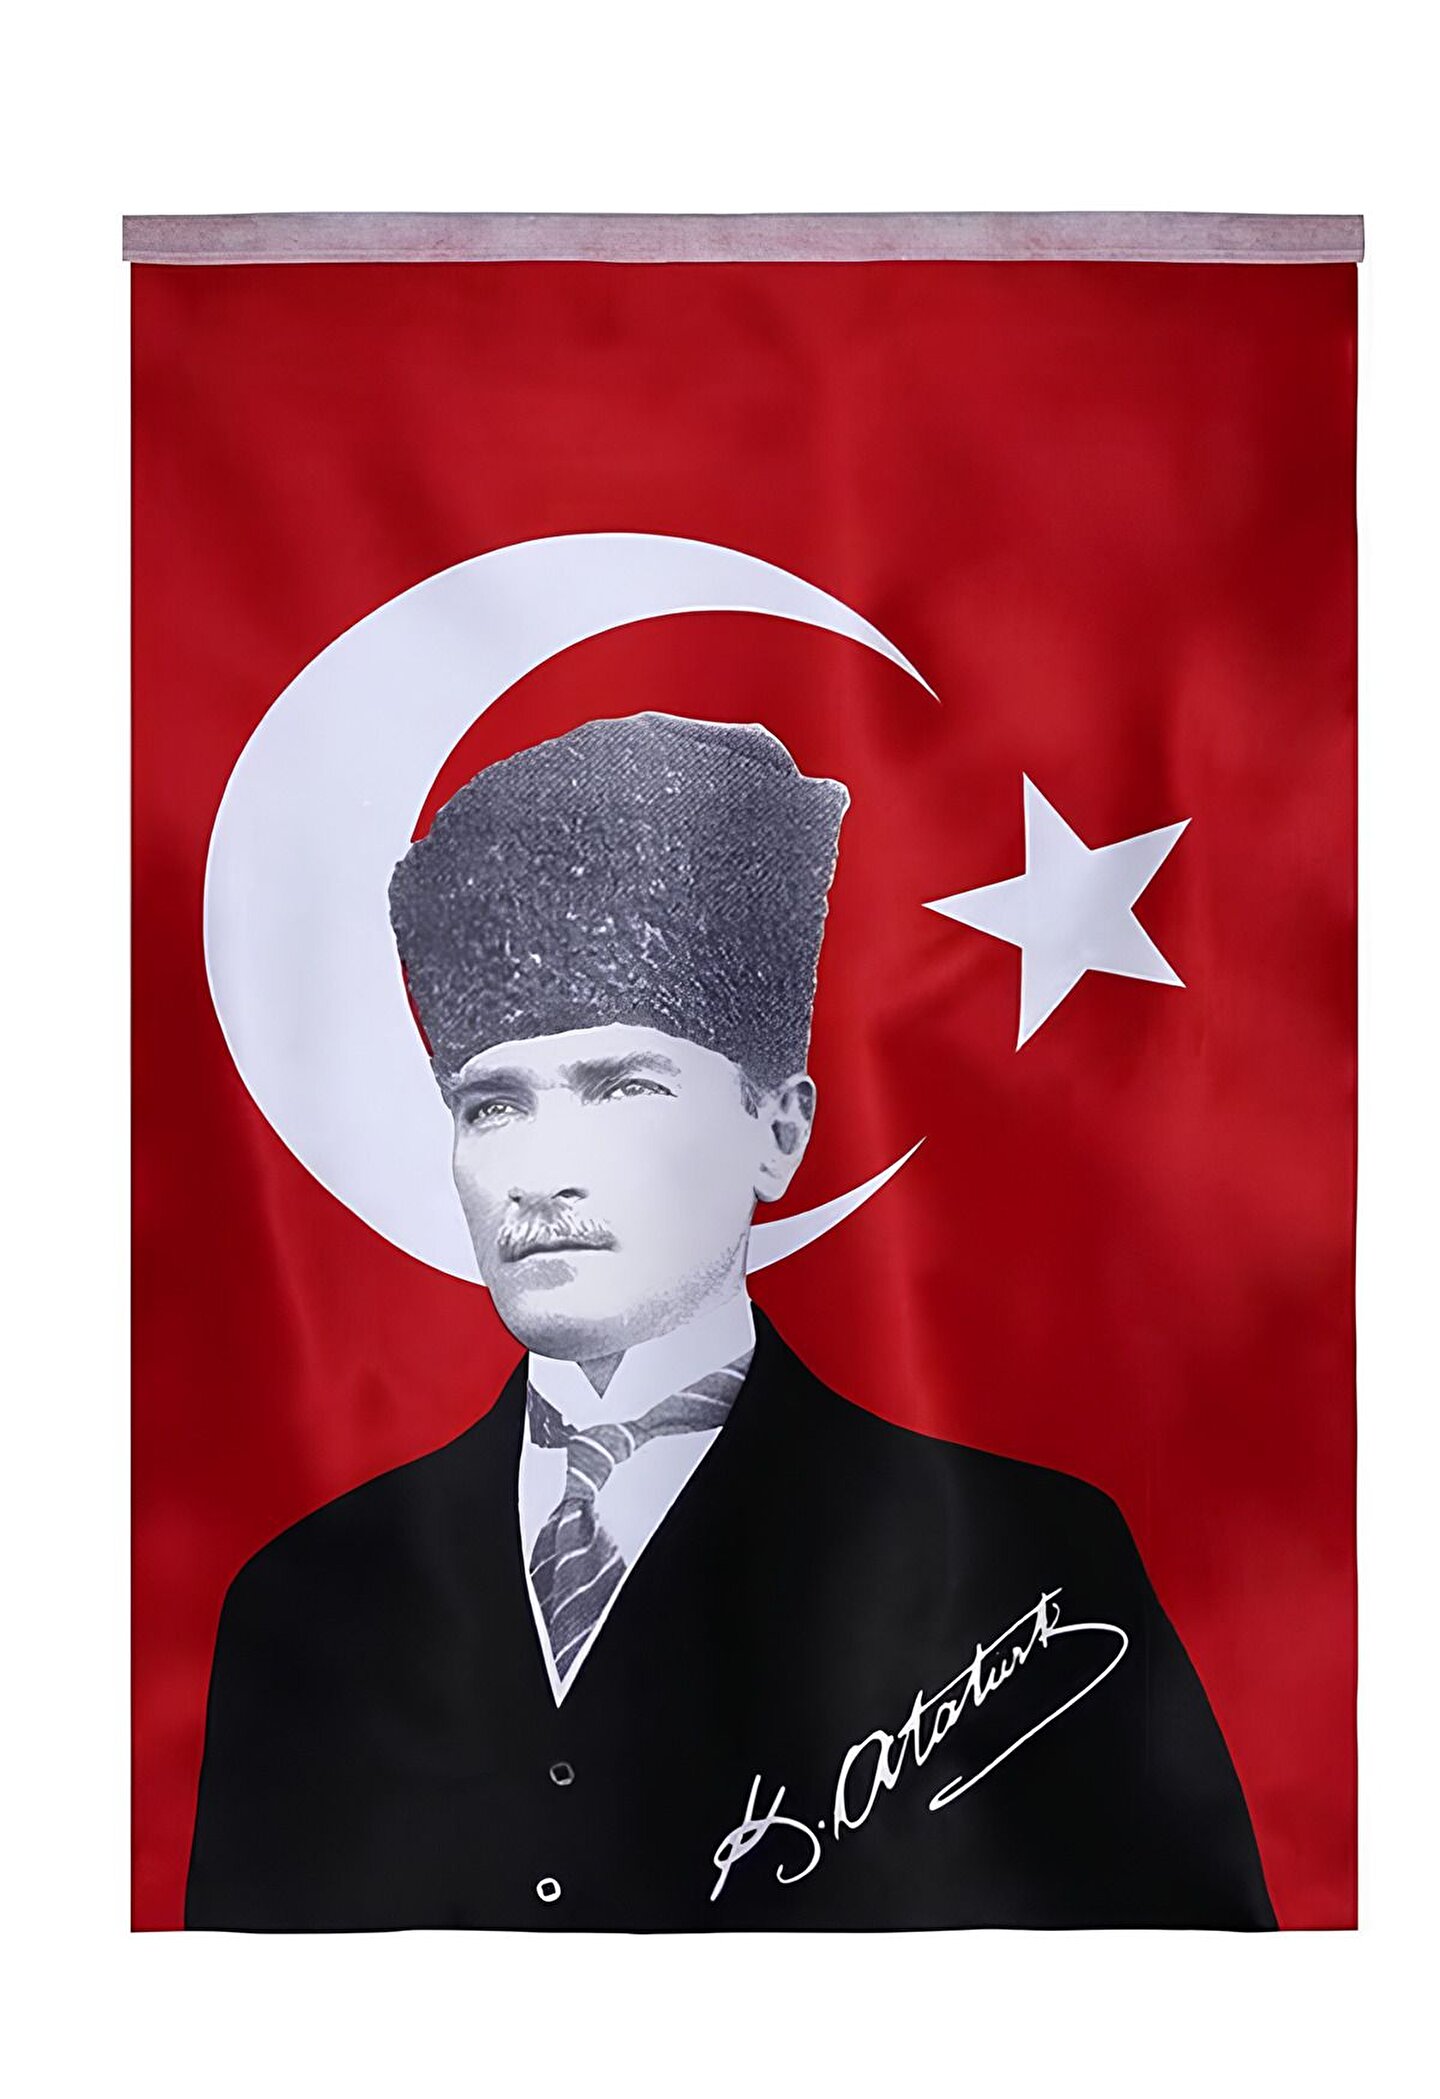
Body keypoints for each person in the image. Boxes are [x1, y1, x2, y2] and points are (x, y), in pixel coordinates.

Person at [186, 712, 1275, 1931]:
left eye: (621, 1087)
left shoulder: (1026, 1568)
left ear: (780, 1130)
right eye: (492, 1106)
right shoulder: (310, 1600)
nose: (541, 1174)